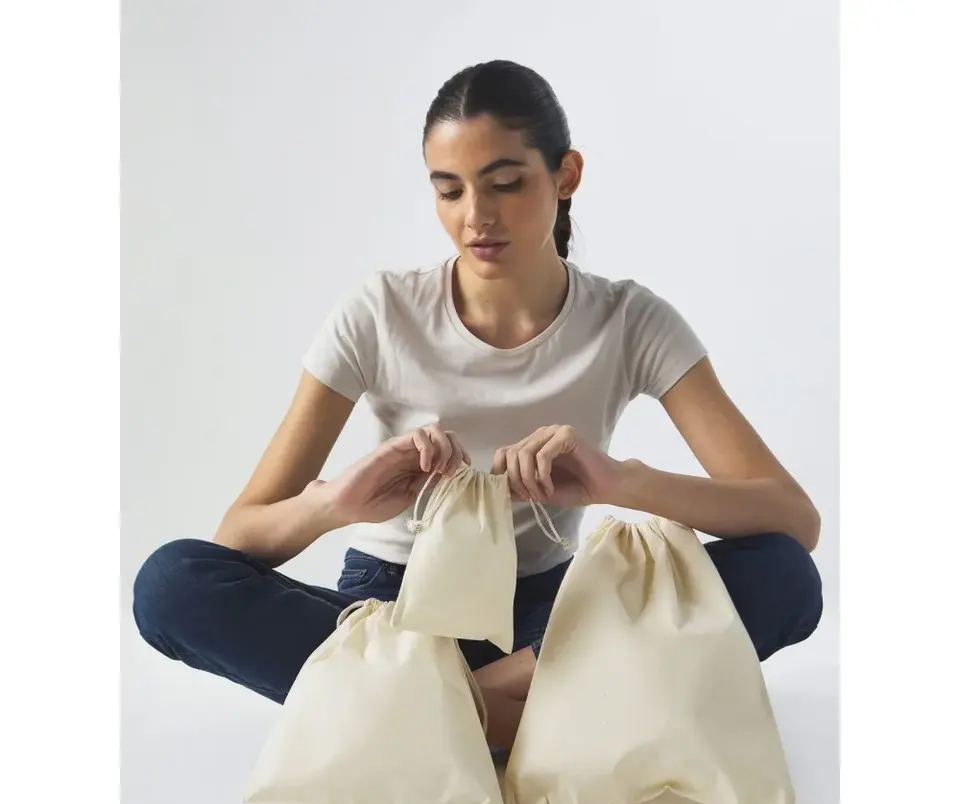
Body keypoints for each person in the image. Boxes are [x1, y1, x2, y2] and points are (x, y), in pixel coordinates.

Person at [133, 60, 823, 751]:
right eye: (449, 191)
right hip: (390, 612)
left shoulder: (630, 322)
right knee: (171, 584)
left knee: (784, 576)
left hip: (551, 624)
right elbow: (236, 539)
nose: (475, 217)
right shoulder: (379, 312)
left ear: (566, 175)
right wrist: (337, 502)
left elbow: (793, 520)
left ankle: (428, 714)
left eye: (505, 184)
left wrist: (618, 482)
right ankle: (523, 717)